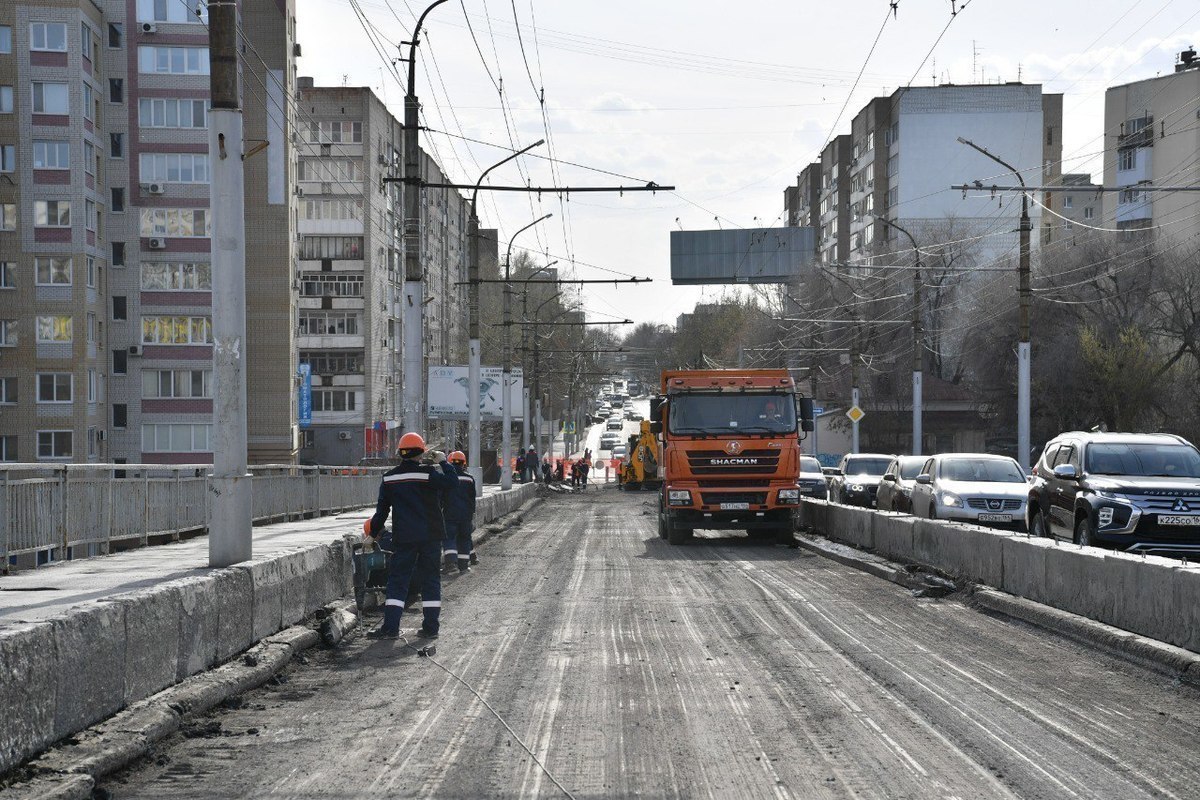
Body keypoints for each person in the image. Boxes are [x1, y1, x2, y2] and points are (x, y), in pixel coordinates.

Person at [364, 432, 458, 640]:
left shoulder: (390, 478)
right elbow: (452, 483)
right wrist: (443, 462)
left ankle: (390, 628)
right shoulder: (428, 474)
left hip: (404, 537)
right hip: (431, 536)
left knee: (398, 581)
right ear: (422, 452)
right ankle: (431, 628)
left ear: (400, 453)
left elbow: (381, 512)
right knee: (431, 580)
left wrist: (372, 535)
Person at [444, 451, 477, 574]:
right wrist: (472, 514)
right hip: (466, 515)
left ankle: (451, 564)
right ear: (464, 464)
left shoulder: (447, 479)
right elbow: (472, 498)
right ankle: (463, 566)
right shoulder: (469, 479)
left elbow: (441, 497)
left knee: (449, 537)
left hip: (450, 514)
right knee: (464, 538)